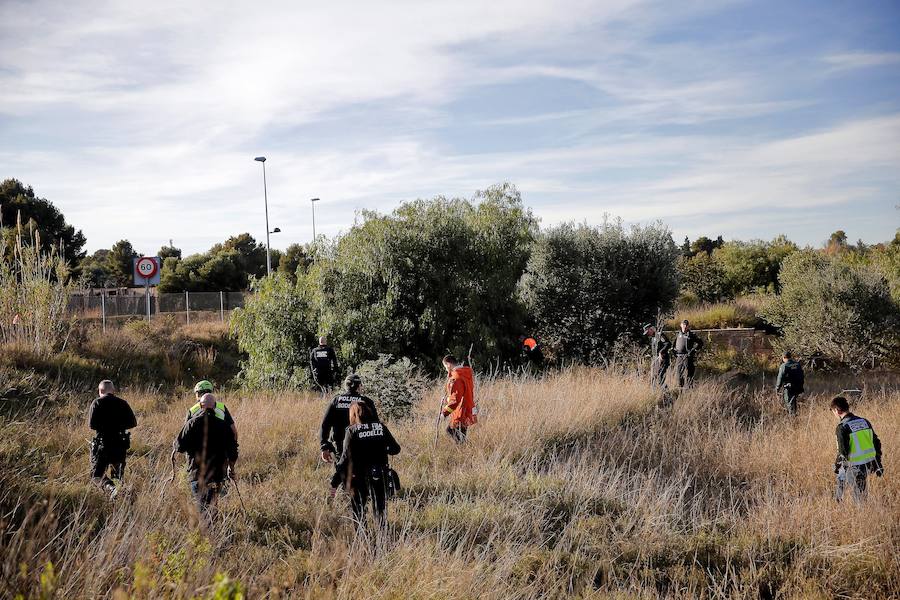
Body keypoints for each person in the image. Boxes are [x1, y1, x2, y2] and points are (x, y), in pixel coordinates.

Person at [335, 400, 400, 531]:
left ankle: (362, 539)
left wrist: (334, 481)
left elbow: (345, 458)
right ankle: (383, 537)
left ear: (353, 415)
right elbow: (395, 449)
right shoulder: (380, 427)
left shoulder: (352, 431)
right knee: (379, 509)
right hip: (380, 474)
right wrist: (382, 448)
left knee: (358, 510)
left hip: (359, 477)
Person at [173, 392, 239, 519]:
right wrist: (231, 468)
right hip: (218, 474)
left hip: (196, 474)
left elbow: (179, 447)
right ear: (214, 407)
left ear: (200, 406)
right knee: (213, 504)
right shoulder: (223, 425)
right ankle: (214, 529)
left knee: (202, 506)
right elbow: (233, 452)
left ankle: (207, 533)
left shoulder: (191, 423)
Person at [320, 374, 379, 495]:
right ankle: (360, 494)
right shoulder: (366, 401)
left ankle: (342, 493)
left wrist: (324, 445)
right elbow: (375, 425)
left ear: (345, 386)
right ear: (359, 386)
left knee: (342, 467)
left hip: (340, 442)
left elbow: (325, 425)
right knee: (361, 471)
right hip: (363, 442)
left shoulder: (337, 400)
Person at [87, 380, 137, 497]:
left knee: (96, 476)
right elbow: (133, 422)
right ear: (113, 391)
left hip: (102, 445)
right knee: (117, 477)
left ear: (100, 391)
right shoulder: (123, 403)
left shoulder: (97, 403)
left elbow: (91, 425)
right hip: (119, 445)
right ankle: (119, 496)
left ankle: (110, 488)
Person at [831, 396, 884, 503]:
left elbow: (843, 452)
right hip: (869, 462)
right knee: (842, 480)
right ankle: (837, 502)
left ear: (837, 410)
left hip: (855, 465)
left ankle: (860, 513)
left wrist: (836, 464)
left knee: (859, 497)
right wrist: (878, 463)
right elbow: (876, 443)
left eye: (833, 411)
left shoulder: (842, 427)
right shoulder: (864, 421)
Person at [441, 354, 477, 443]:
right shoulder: (465, 373)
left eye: (445, 367)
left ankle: (467, 452)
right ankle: (467, 451)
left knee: (451, 432)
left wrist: (444, 413)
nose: (446, 369)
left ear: (448, 364)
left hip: (461, 411)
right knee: (461, 436)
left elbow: (455, 400)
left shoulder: (456, 377)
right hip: (468, 408)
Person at [673, 320, 703, 388]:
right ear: (681, 325)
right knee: (678, 374)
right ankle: (680, 388)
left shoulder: (692, 334)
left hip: (688, 357)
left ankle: (689, 389)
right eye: (683, 325)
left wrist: (694, 350)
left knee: (689, 374)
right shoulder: (678, 334)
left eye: (686, 325)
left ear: (688, 326)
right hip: (679, 357)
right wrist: (674, 351)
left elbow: (700, 343)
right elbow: (674, 344)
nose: (685, 326)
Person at [775, 351, 805, 415]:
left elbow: (780, 378)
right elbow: (802, 376)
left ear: (784, 357)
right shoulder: (797, 364)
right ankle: (795, 415)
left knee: (789, 403)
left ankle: (792, 418)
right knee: (794, 402)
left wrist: (777, 388)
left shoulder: (784, 366)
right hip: (798, 387)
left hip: (789, 388)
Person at [643, 324, 671, 388]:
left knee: (660, 377)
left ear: (651, 329)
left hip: (663, 359)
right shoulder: (653, 337)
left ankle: (666, 393)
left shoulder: (659, 335)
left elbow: (668, 344)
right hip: (655, 359)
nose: (647, 334)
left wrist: (661, 352)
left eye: (648, 332)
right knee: (653, 377)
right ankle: (654, 393)